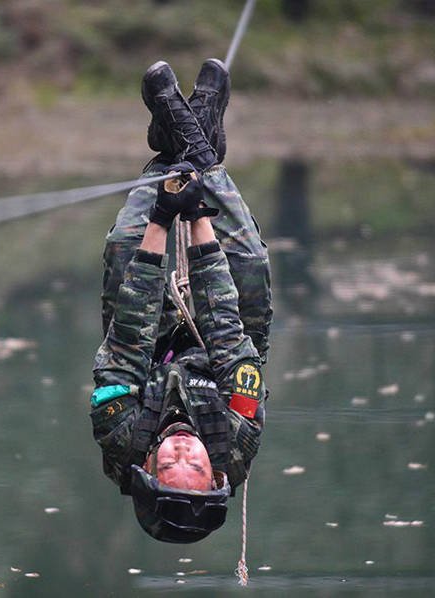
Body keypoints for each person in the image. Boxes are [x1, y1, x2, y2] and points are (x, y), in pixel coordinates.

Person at [89, 59, 272, 543]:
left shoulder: (119, 436)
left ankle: (179, 145)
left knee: (124, 245)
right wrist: (195, 215)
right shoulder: (237, 442)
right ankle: (194, 140)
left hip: (143, 343)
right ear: (217, 476)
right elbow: (228, 334)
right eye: (195, 462)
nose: (183, 449)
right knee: (249, 260)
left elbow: (128, 341)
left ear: (146, 466)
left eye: (170, 461)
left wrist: (165, 213)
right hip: (225, 340)